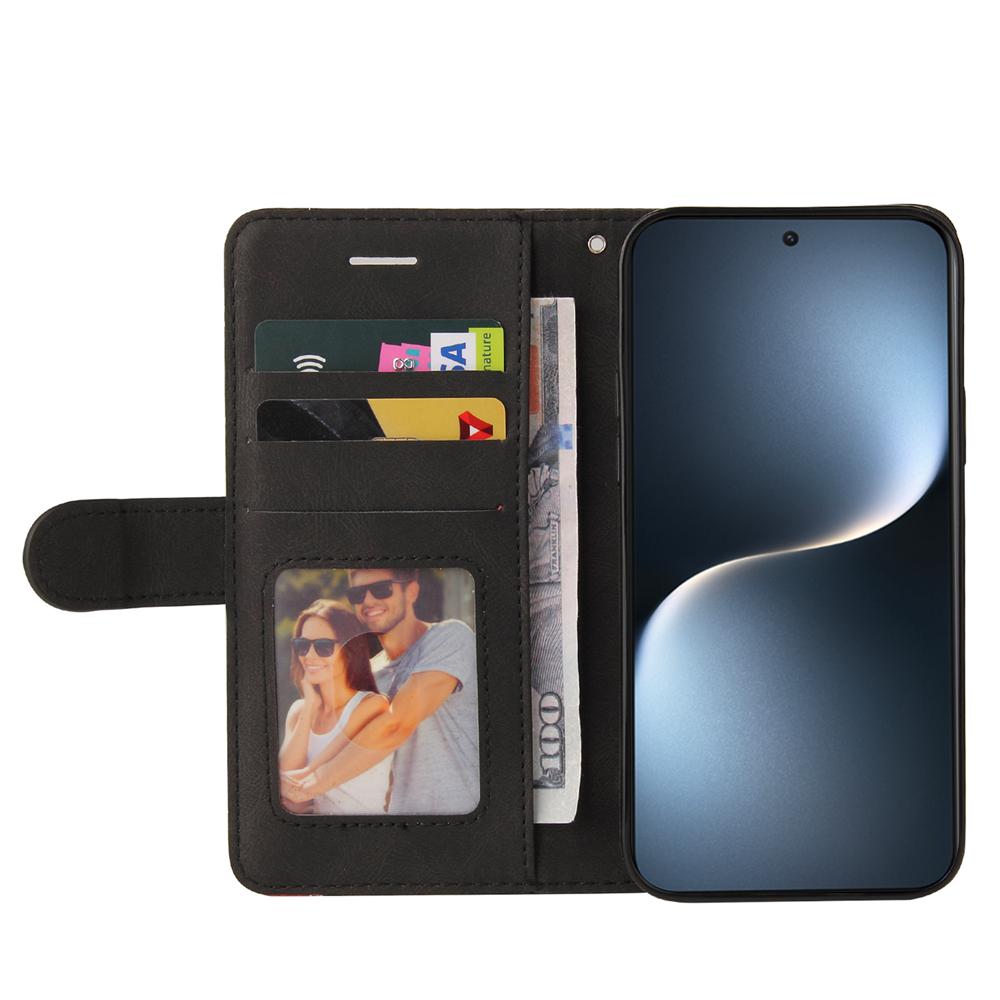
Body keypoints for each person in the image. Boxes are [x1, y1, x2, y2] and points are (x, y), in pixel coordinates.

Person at [282, 568, 479, 814]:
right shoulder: (369, 678)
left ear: (412, 591)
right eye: (358, 594)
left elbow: (396, 724)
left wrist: (311, 785)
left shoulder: (449, 638)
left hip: (459, 821)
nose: (368, 600)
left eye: (381, 589)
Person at [278, 599, 392, 814]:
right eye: (302, 645)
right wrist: (310, 707)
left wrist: (288, 789)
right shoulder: (299, 712)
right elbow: (289, 799)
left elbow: (301, 783)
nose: (308, 656)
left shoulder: (372, 706)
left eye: (323, 647)